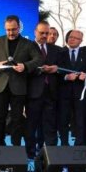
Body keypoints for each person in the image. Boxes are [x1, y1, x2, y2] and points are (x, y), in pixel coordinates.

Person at [0, 15, 42, 146]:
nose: (11, 32)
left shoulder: (28, 43)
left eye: (13, 29)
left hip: (19, 86)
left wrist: (25, 66)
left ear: (19, 28)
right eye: (8, 30)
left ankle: (16, 147)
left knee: (17, 118)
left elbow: (38, 59)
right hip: (0, 86)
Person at [25, 21, 62, 158]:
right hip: (33, 93)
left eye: (47, 33)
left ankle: (50, 154)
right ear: (35, 32)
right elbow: (24, 68)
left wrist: (56, 69)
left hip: (51, 92)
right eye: (42, 33)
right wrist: (40, 70)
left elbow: (61, 67)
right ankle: (30, 152)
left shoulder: (55, 49)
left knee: (50, 124)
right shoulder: (27, 47)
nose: (45, 36)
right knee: (31, 125)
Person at [57, 30, 86, 146]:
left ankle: (79, 145)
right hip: (64, 93)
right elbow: (56, 72)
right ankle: (64, 144)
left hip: (80, 94)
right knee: (63, 120)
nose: (72, 39)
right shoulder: (60, 52)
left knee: (80, 120)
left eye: (75, 38)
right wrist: (66, 77)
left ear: (81, 40)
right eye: (70, 37)